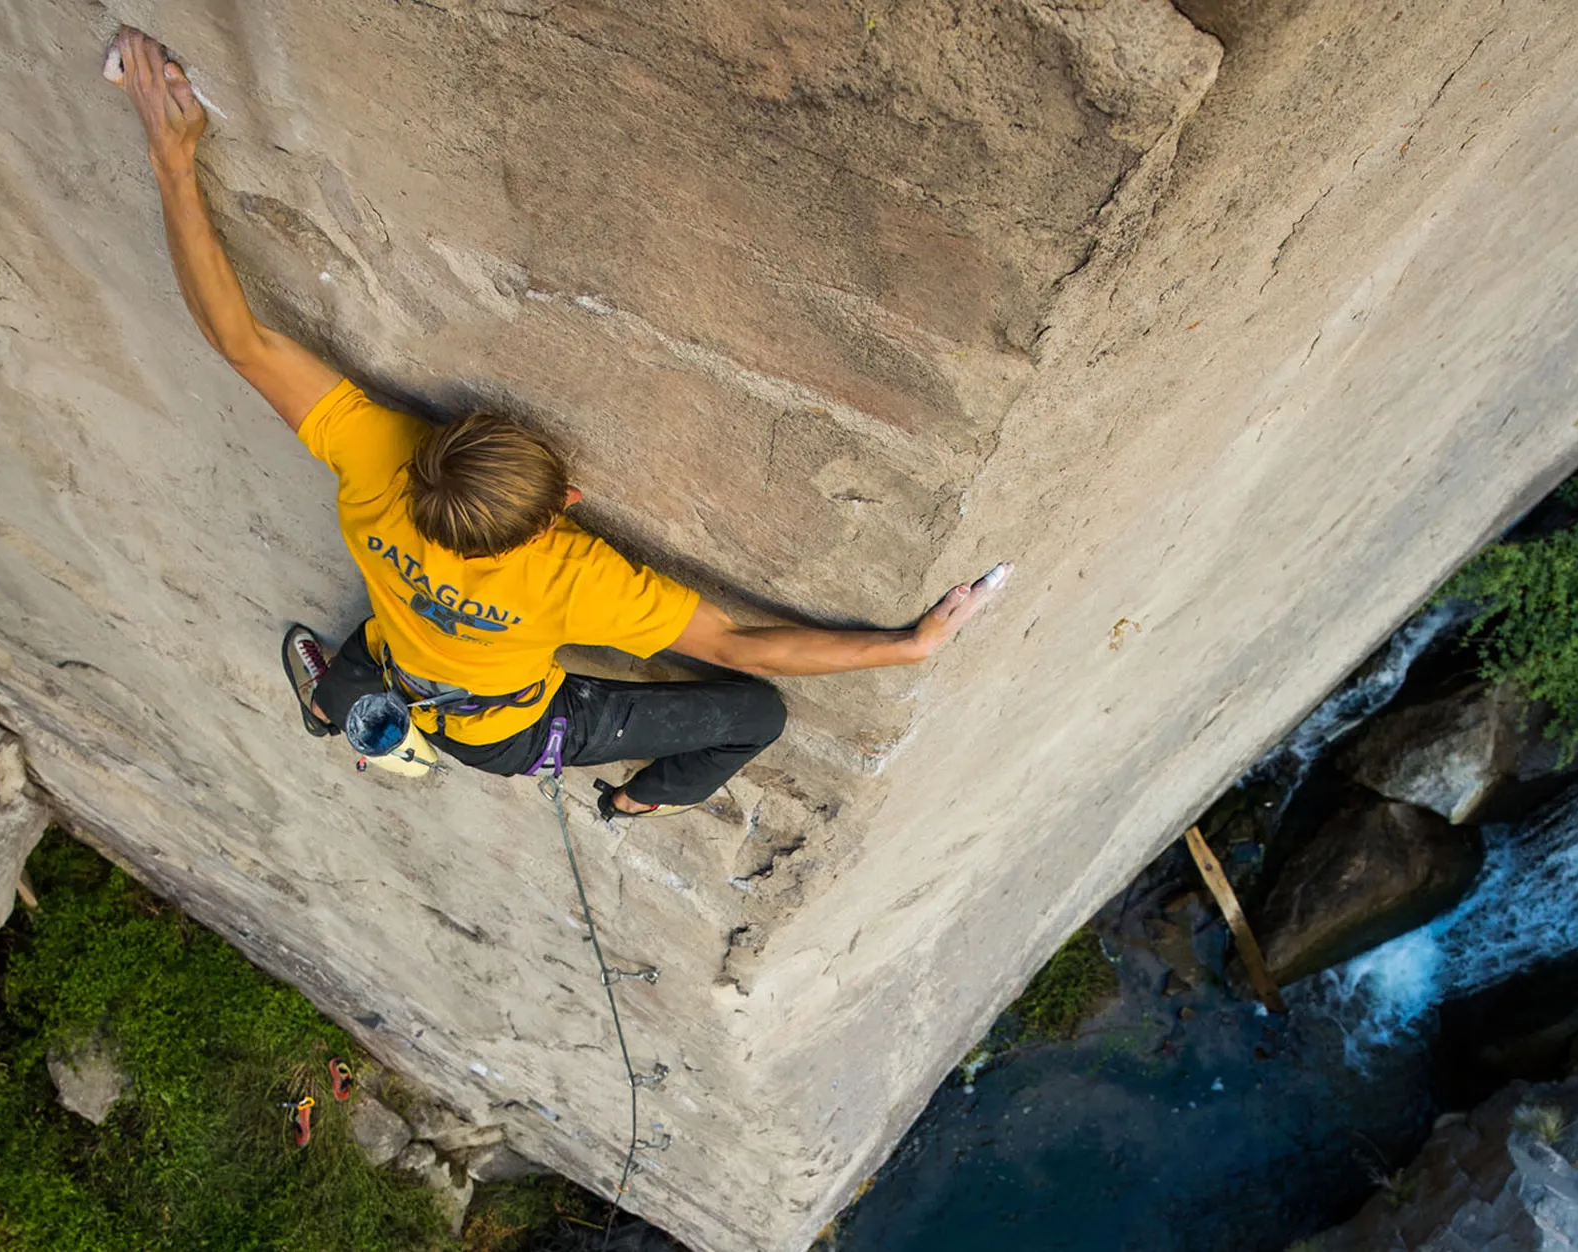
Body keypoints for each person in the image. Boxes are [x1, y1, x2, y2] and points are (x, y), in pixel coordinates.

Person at [107, 26, 1009, 818]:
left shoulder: (378, 462)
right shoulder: (571, 576)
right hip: (495, 736)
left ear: (437, 450)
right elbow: (740, 648)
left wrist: (173, 158)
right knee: (754, 717)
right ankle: (640, 798)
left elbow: (242, 339)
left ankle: (336, 701)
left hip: (395, 663)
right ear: (563, 502)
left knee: (380, 656)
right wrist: (906, 646)